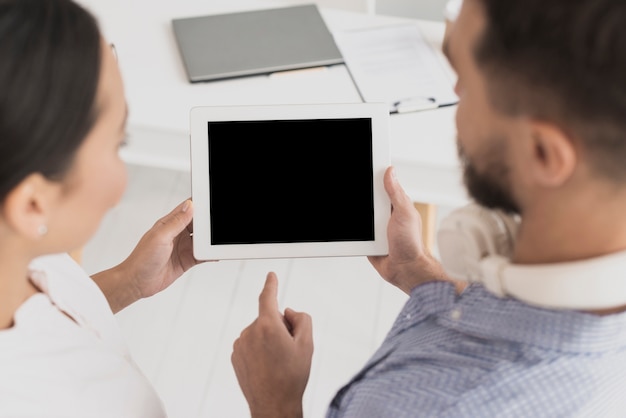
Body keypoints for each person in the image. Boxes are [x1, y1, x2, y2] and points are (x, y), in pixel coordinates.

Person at [231, 0, 626, 416]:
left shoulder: (436, 406)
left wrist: (275, 399)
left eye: (465, 84)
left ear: (542, 153)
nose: (454, 97)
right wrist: (416, 270)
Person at [0, 0, 202, 415]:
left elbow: (44, 325)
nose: (122, 179)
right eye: (118, 143)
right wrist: (275, 402)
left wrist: (127, 281)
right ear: (33, 204)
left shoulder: (23, 248)